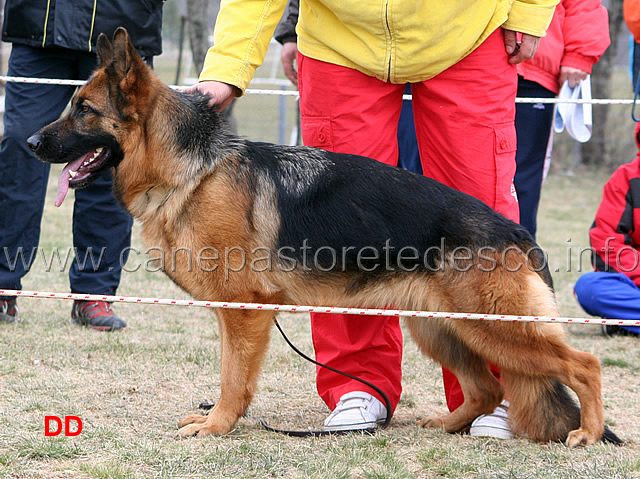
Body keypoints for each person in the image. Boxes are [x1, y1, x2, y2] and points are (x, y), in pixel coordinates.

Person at [189, 0, 558, 433]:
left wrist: (530, 12)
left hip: (468, 33)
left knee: (479, 212)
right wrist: (229, 65)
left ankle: (494, 393)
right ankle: (357, 384)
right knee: (331, 228)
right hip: (340, 42)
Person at [0, 1, 164, 330]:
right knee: (19, 145)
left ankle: (94, 293)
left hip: (121, 24)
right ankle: (3, 284)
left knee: (111, 152)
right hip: (38, 26)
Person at [273, 0, 421, 171]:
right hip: (342, 48)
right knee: (355, 178)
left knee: (427, 172)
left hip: (441, 49)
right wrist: (292, 28)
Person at [513, 0, 609, 239]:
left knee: (522, 179)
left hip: (532, 73)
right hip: (460, 65)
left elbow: (583, 4)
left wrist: (579, 55)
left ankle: (520, 262)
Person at [573, 123, 640, 338]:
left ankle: (626, 322)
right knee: (589, 288)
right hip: (635, 282)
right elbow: (607, 245)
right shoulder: (626, 178)